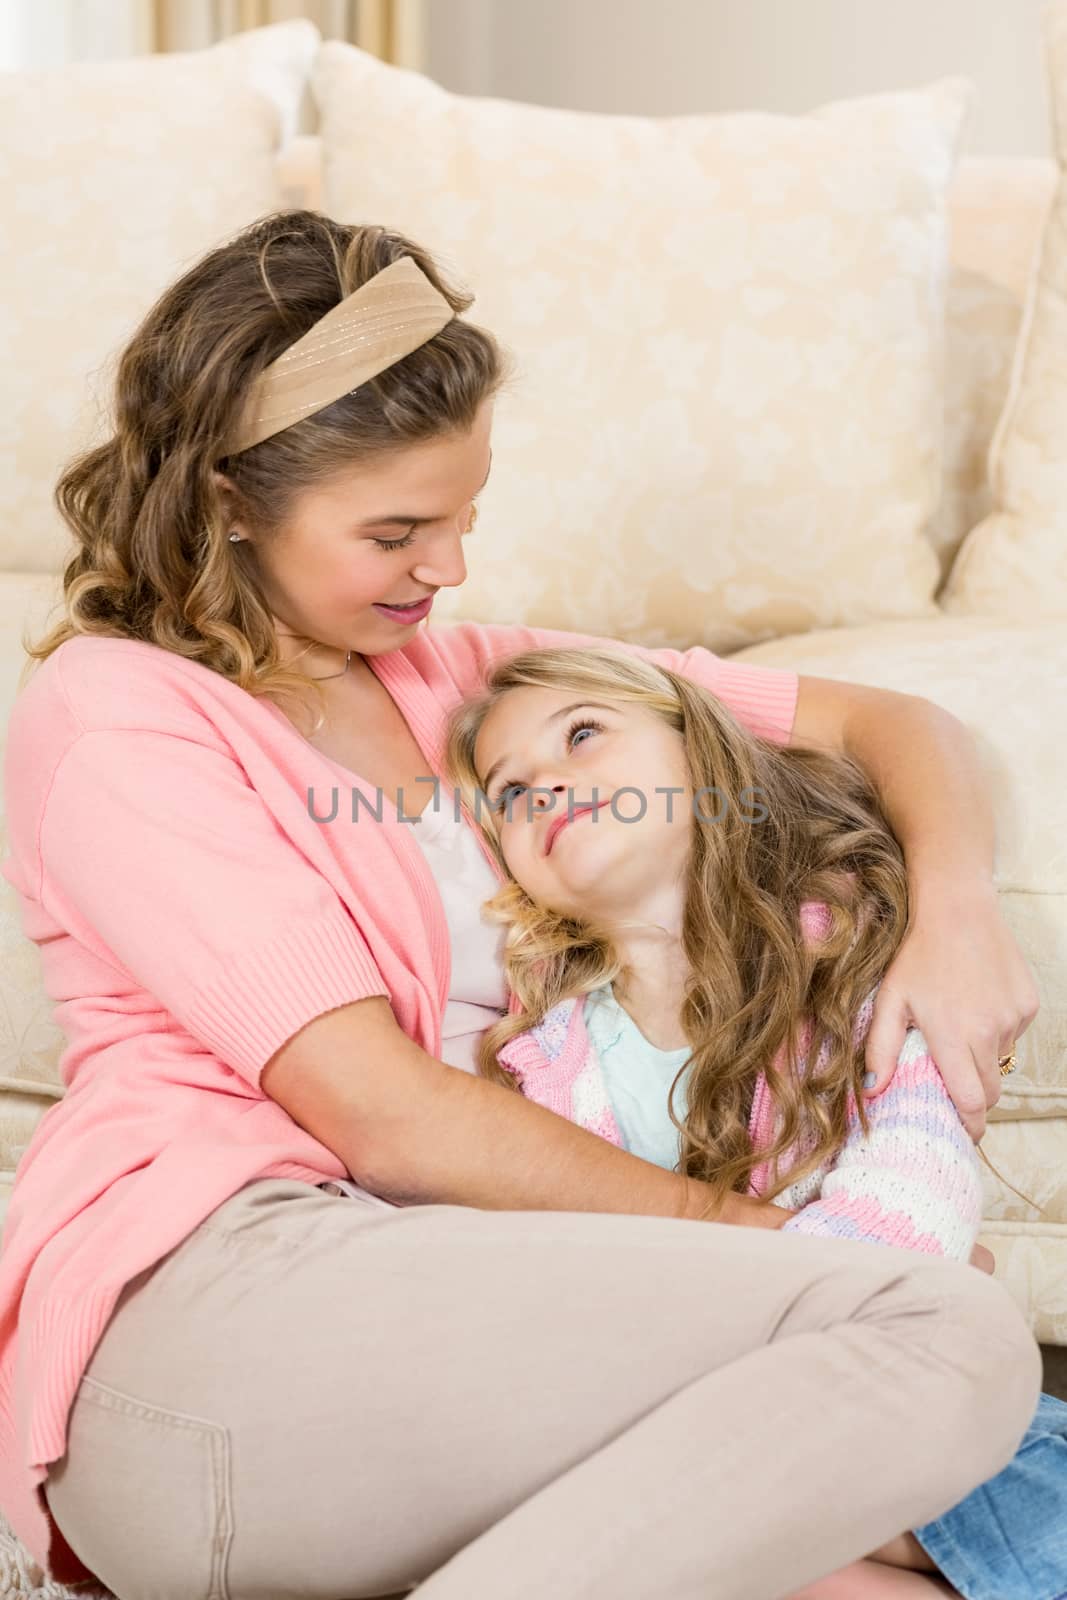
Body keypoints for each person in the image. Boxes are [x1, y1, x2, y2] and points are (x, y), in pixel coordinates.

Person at [0, 210, 1042, 1600]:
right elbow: (379, 1108)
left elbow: (888, 721)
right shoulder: (115, 713)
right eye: (396, 530)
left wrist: (951, 918)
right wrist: (774, 1259)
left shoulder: (482, 688)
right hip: (221, 1318)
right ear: (229, 498)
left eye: (463, 518)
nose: (446, 570)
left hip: (459, 1340)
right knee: (949, 1340)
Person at [443, 642, 1067, 1600]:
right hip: (696, 1422)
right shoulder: (546, 1063)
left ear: (701, 755)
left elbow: (917, 1186)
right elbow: (569, 1276)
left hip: (889, 1388)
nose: (549, 784)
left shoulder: (848, 955)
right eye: (511, 791)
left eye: (582, 735)